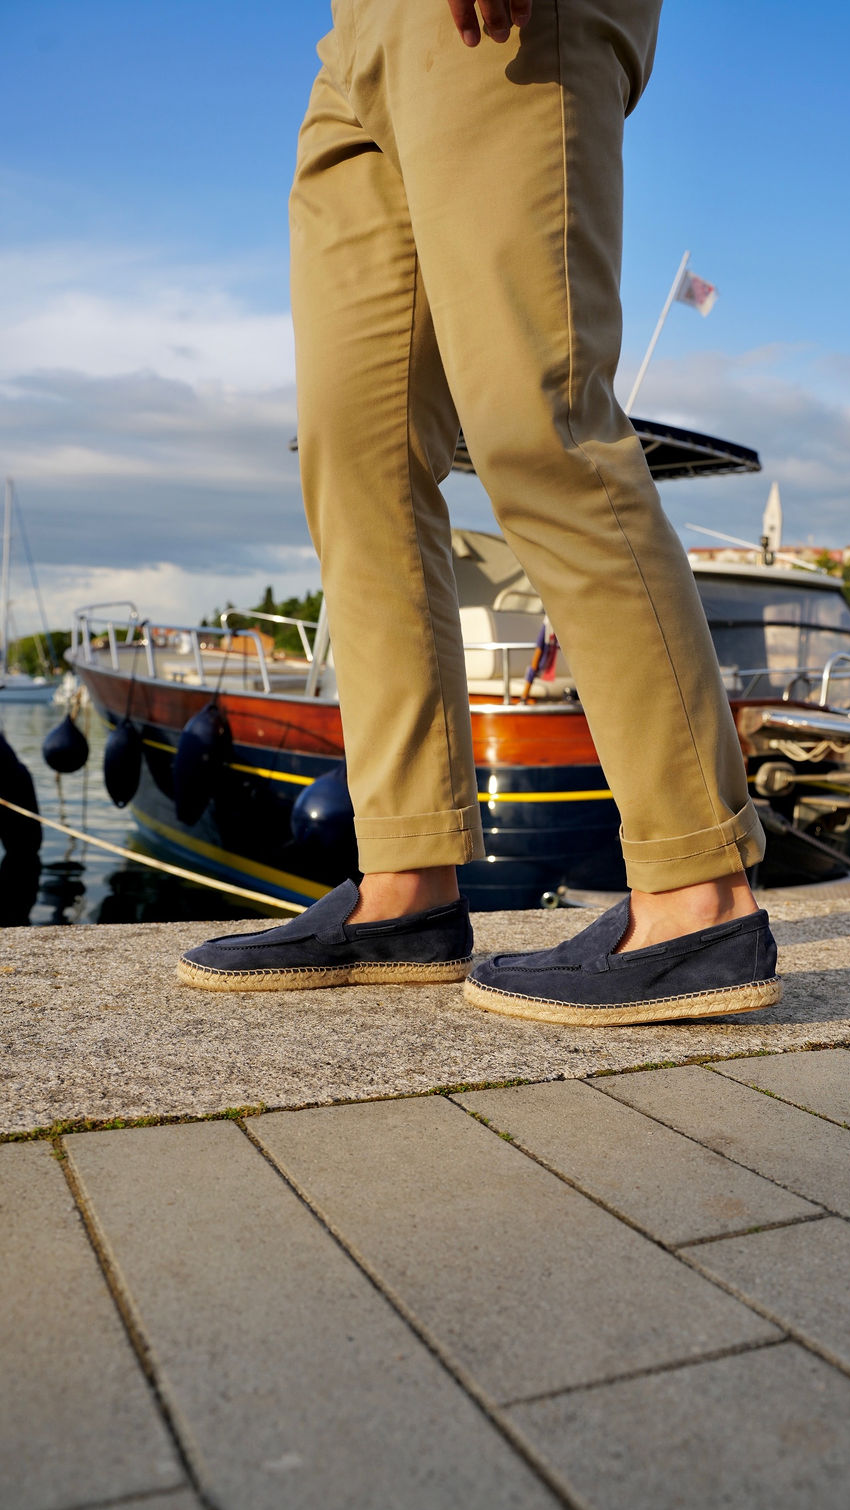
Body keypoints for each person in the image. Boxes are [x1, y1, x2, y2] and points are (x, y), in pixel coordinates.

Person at [178, 0, 782, 1027]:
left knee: (535, 427)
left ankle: (698, 896)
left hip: (495, 25)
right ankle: (404, 886)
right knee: (352, 451)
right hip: (353, 42)